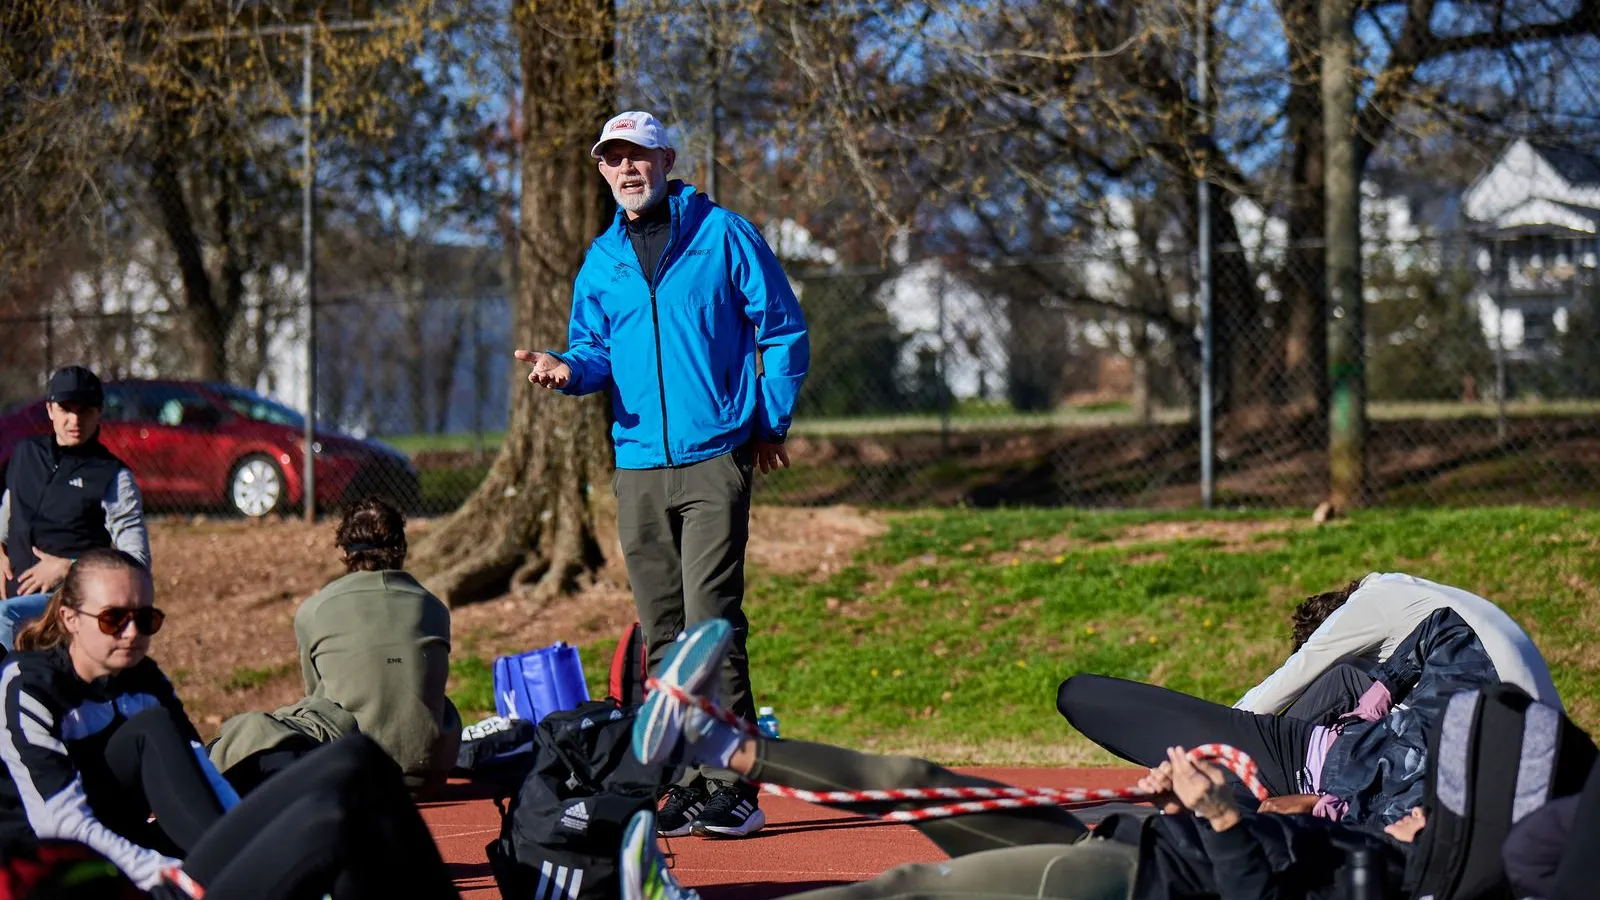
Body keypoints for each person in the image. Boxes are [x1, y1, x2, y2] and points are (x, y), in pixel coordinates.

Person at [617, 618, 1425, 900]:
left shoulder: (1387, 884)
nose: (1424, 806)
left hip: (1122, 885)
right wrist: (1204, 798)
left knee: (906, 890)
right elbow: (1281, 832)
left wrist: (1215, 820)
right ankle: (720, 743)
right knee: (916, 782)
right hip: (1120, 838)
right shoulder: (1372, 836)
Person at [515, 110, 810, 839]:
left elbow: (782, 327)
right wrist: (566, 369)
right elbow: (594, 350)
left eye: (638, 156)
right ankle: (685, 776)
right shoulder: (602, 260)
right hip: (638, 465)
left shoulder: (723, 235)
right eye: (613, 160)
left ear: (667, 159)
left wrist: (768, 420)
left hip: (714, 458)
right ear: (602, 171)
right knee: (663, 630)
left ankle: (735, 783)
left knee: (710, 621)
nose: (626, 170)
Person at [0, 548, 460, 899]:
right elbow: (61, 825)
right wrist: (165, 872)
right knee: (327, 823)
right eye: (113, 618)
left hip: (154, 858)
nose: (132, 633)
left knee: (356, 759)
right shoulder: (27, 685)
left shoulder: (142, 679)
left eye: (146, 619)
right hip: (84, 880)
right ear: (69, 619)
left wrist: (244, 840)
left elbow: (200, 773)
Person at [1059, 606, 1501, 827]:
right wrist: (1379, 696)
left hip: (1323, 834)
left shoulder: (1481, 813)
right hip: (1291, 750)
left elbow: (1407, 848)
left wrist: (1325, 808)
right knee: (1082, 696)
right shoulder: (1464, 712)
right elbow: (1445, 627)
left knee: (1172, 838)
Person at [209, 497, 460, 796]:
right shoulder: (435, 608)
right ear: (401, 548)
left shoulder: (315, 609)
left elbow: (316, 696)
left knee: (252, 728)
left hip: (353, 771)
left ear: (345, 551)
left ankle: (194, 772)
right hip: (427, 775)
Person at [1234, 572, 1560, 720]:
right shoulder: (1407, 592)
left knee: (1341, 684)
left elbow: (1293, 676)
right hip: (1547, 725)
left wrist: (1221, 730)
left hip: (1502, 723)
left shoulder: (1369, 603)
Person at [0, 365, 149, 651]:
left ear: (99, 413)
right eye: (66, 409)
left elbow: (136, 564)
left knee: (4, 618)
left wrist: (69, 567)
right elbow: (9, 509)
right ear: (50, 410)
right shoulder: (25, 455)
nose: (74, 420)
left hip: (70, 602)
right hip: (14, 593)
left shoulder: (113, 476)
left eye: (85, 410)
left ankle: (13, 689)